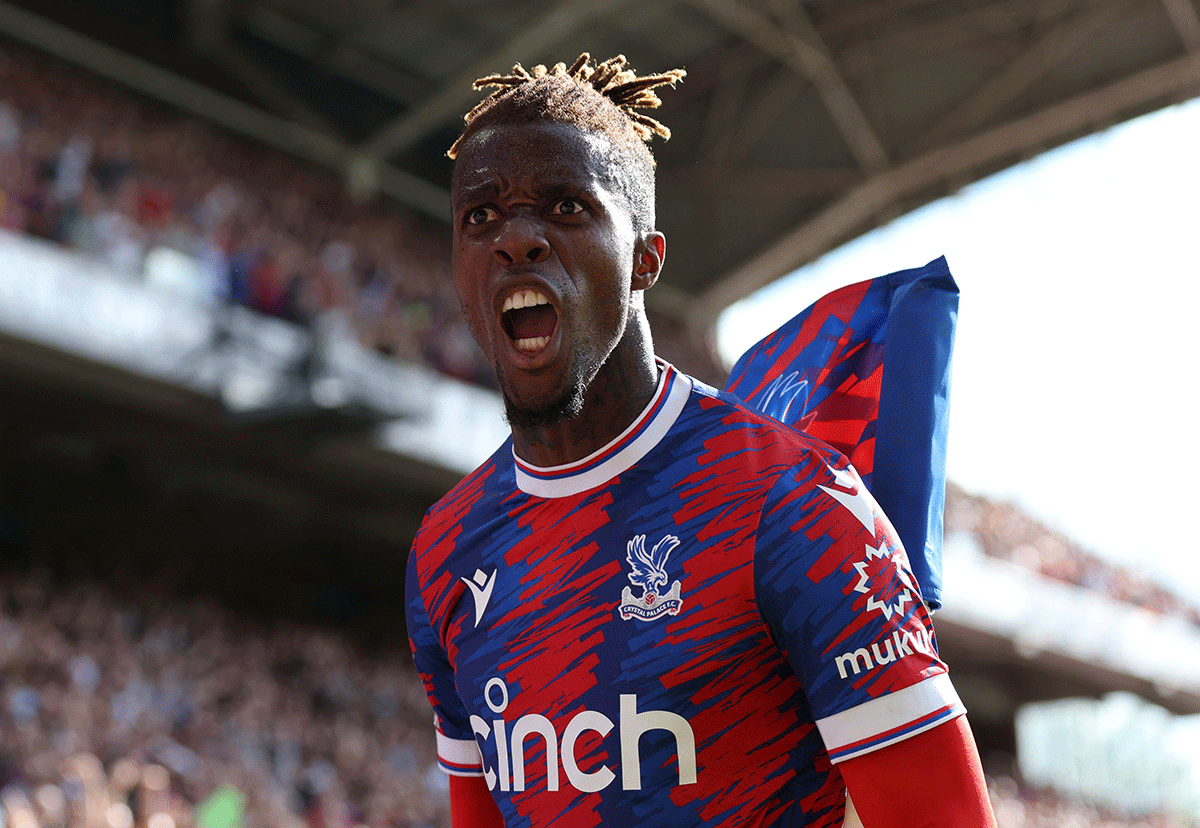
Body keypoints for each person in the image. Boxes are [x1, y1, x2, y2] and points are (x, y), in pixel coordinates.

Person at [406, 54, 997, 828]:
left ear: (646, 260)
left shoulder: (794, 503)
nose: (517, 239)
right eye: (480, 216)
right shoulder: (445, 553)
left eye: (567, 207)